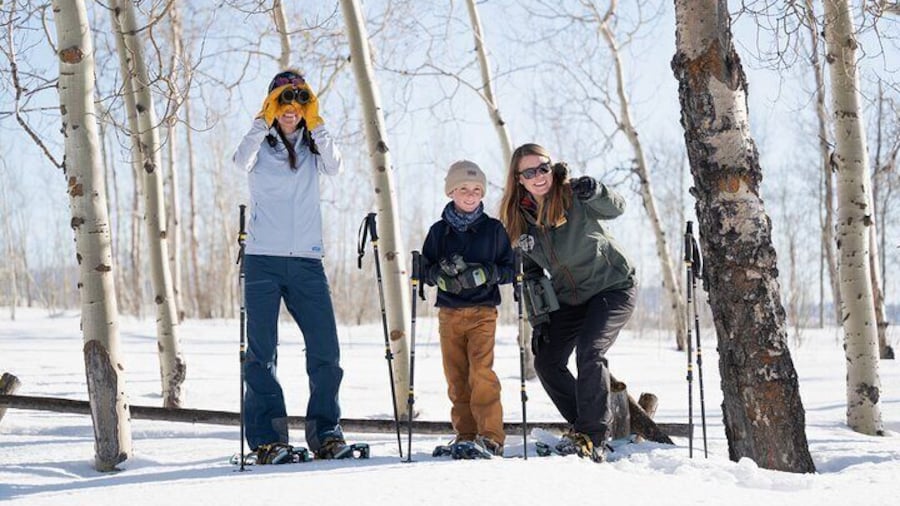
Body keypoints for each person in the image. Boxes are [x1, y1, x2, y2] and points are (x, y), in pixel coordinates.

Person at [232, 69, 347, 463]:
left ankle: (326, 433)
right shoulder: (259, 145)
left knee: (325, 352)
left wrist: (318, 122)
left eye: (298, 101)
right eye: (282, 100)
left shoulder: (315, 147)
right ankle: (268, 439)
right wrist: (261, 119)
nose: (290, 109)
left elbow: (336, 166)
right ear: (270, 103)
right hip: (263, 259)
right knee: (261, 355)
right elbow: (239, 160)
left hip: (307, 261)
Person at [498, 143, 637, 463]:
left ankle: (595, 435)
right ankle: (584, 427)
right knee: (546, 361)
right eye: (529, 172)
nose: (538, 176)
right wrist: (540, 320)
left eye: (543, 168)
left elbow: (617, 208)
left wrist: (597, 190)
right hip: (570, 299)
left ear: (552, 167)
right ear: (518, 179)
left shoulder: (573, 194)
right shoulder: (519, 217)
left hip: (612, 287)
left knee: (590, 350)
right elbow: (531, 274)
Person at [421, 160, 515, 457]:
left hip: (483, 313)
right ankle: (465, 433)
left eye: (476, 189)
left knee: (481, 374)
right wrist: (438, 275)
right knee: (456, 377)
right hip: (449, 314)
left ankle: (491, 436)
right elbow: (424, 269)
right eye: (463, 189)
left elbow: (511, 269)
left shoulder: (494, 229)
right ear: (451, 192)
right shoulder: (438, 232)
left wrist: (487, 273)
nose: (470, 194)